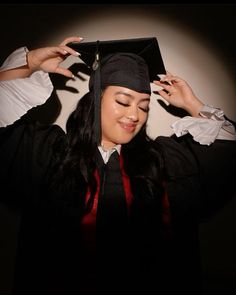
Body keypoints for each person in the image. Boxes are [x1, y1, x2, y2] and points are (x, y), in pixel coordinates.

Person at [0, 36, 235, 295]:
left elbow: (228, 148)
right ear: (96, 100)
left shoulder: (161, 160)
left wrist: (193, 104)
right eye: (123, 102)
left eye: (144, 107)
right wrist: (29, 61)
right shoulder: (50, 152)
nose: (134, 115)